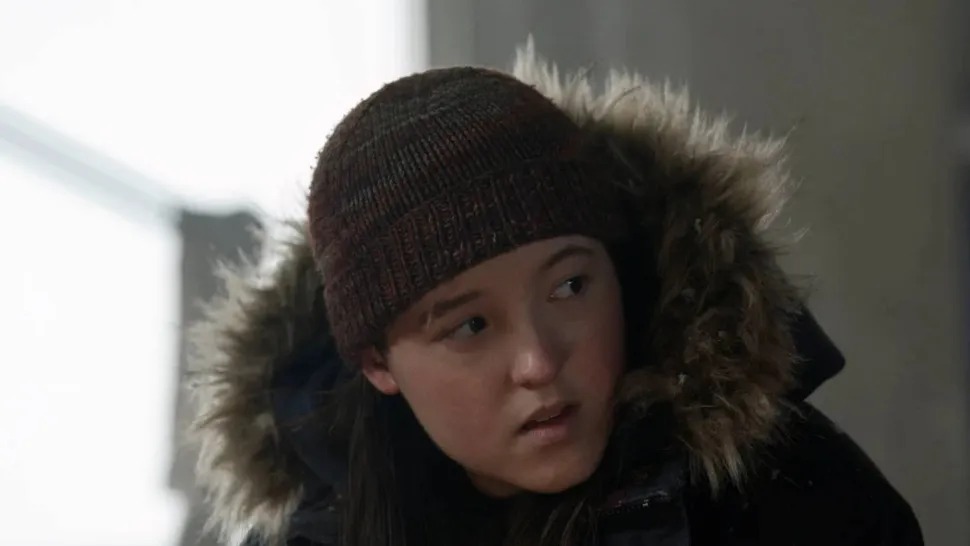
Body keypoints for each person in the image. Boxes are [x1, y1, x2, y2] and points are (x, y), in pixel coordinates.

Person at [188, 43, 923, 546]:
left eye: (571, 286)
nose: (539, 361)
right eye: (472, 326)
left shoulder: (796, 500)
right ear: (378, 362)